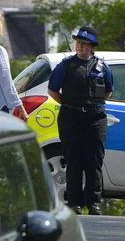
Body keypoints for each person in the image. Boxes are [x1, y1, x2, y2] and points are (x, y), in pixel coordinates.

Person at [47, 26, 114, 216]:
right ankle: (74, 202)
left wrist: (91, 105)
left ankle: (94, 203)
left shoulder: (102, 67)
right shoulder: (66, 66)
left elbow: (108, 91)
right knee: (74, 160)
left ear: (92, 47)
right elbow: (52, 91)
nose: (80, 47)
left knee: (94, 162)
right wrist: (69, 104)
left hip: (95, 119)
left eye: (84, 44)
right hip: (71, 118)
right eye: (78, 43)